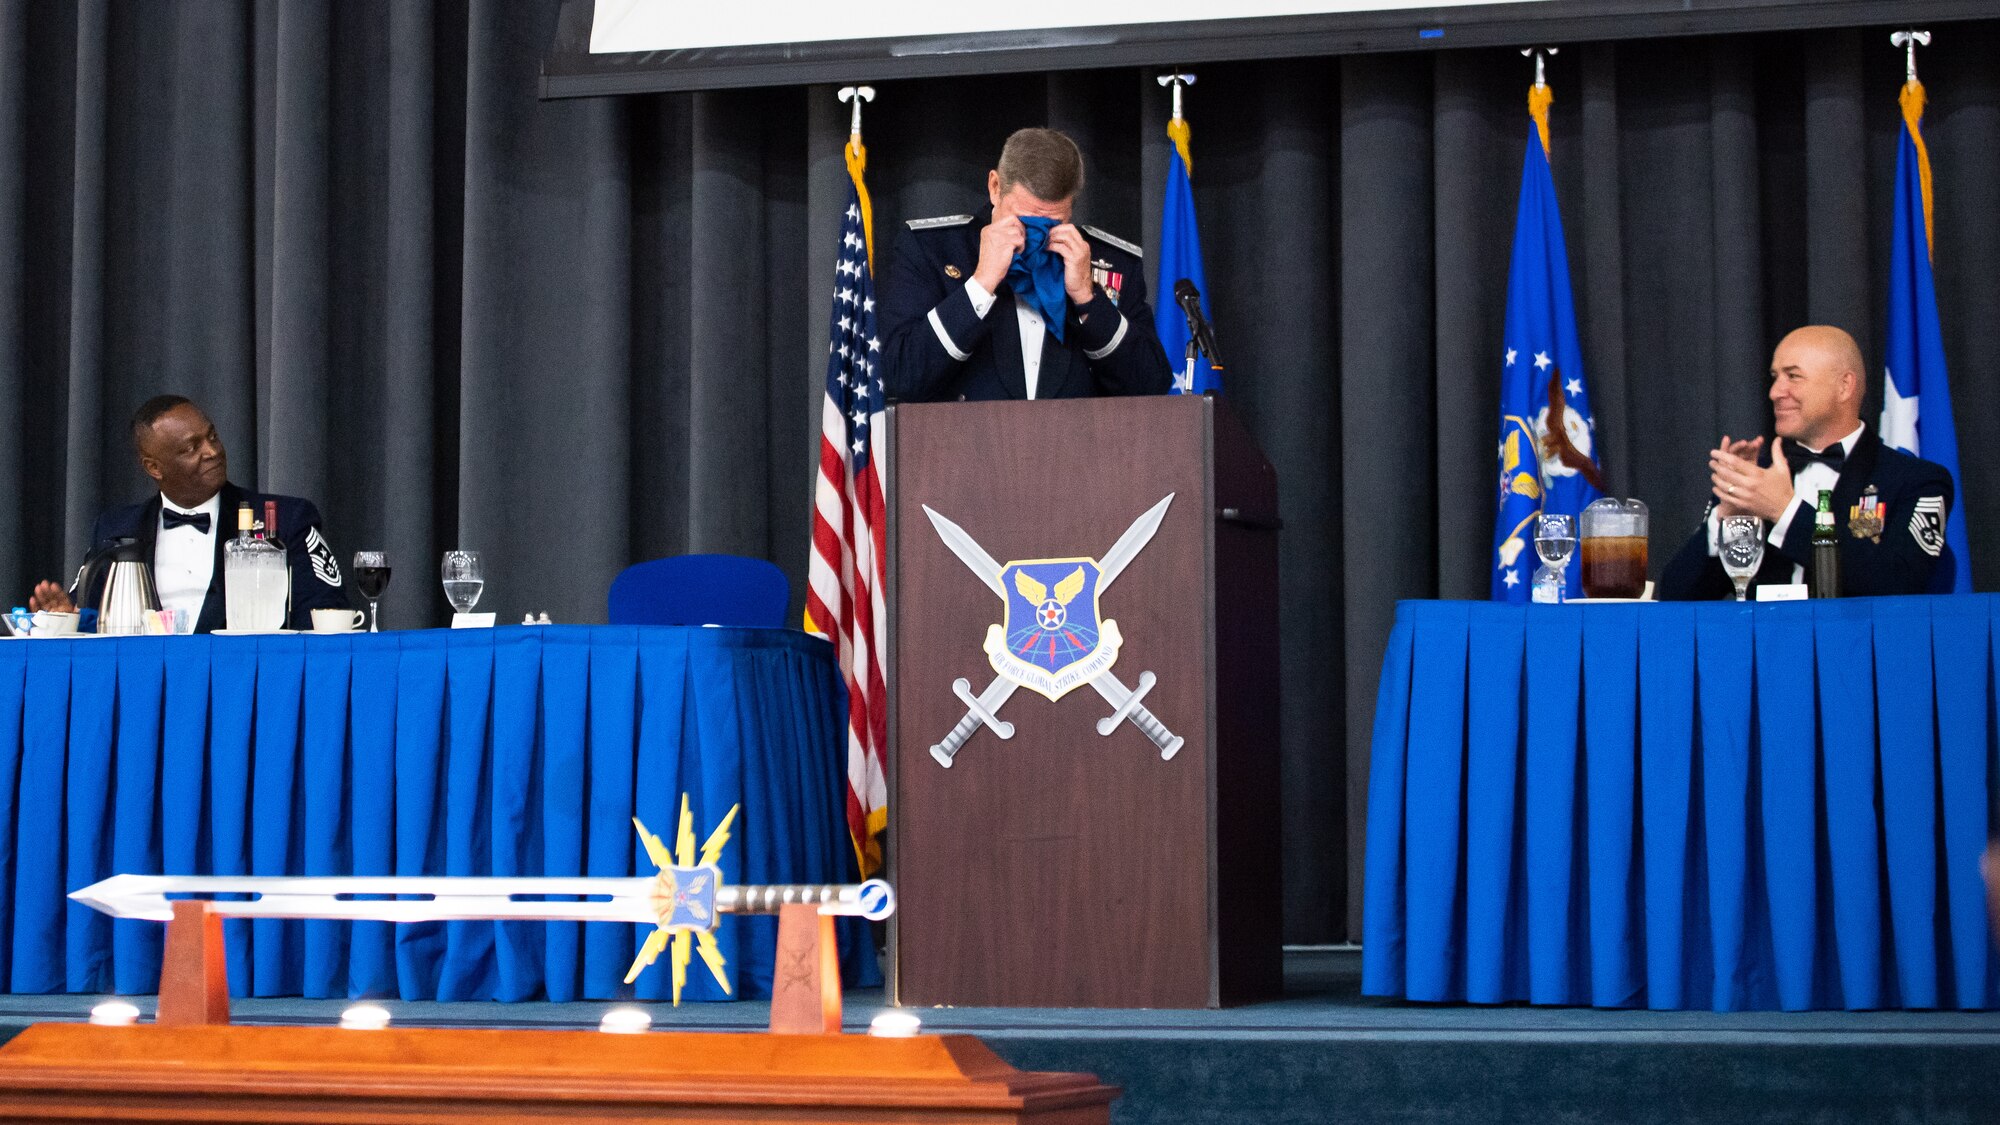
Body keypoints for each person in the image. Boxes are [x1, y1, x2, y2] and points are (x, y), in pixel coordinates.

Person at [879, 127, 1173, 403]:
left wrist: (1088, 300)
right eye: (1023, 220)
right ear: (995, 187)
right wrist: (980, 286)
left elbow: (1152, 389)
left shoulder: (1110, 263)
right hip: (963, 451)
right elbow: (901, 377)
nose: (1035, 236)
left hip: (1082, 452)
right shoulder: (933, 250)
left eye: (1053, 223)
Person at [1658, 325, 1953, 600]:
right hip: (1760, 652)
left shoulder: (1916, 481)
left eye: (1793, 376)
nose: (1775, 392)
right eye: (1775, 377)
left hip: (1854, 652)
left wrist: (1785, 511)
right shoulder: (1758, 478)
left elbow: (1899, 587)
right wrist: (1727, 517)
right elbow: (1673, 598)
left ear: (1844, 386)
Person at [28, 395, 355, 632]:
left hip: (250, 690)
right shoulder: (116, 528)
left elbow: (325, 615)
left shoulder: (286, 518)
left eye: (211, 436)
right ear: (154, 467)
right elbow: (88, 615)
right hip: (146, 694)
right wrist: (65, 615)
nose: (212, 451)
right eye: (191, 448)